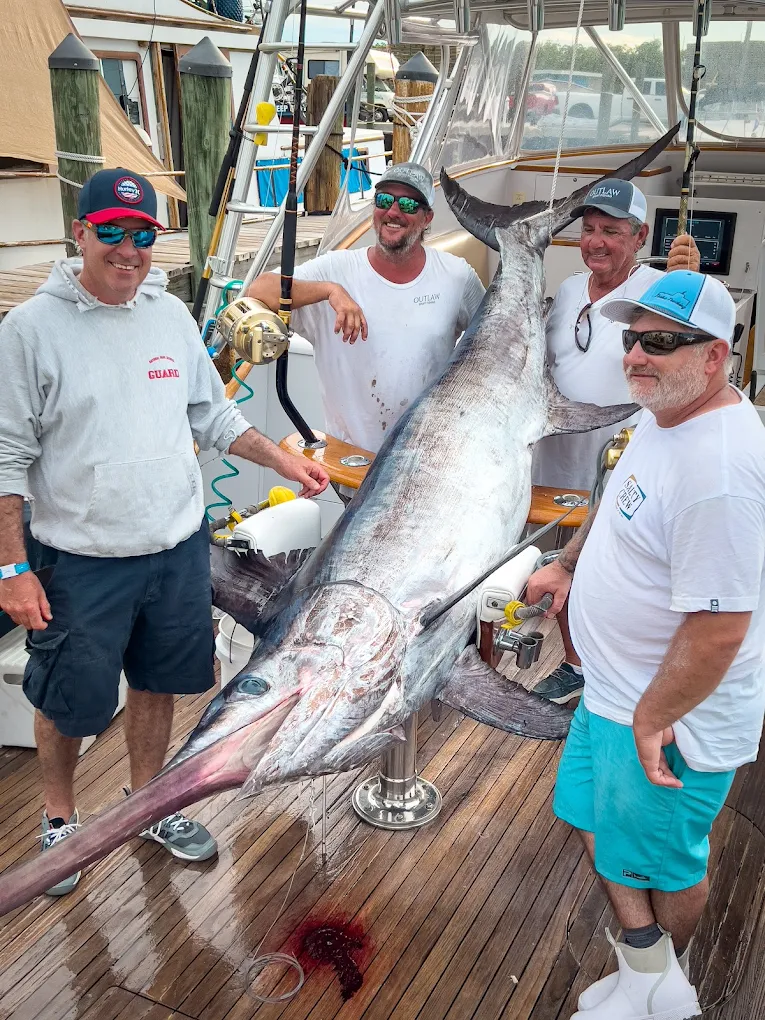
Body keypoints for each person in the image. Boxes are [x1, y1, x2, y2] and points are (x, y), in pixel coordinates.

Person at [0, 168, 329, 895]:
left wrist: (284, 460)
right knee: (67, 700)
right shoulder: (28, 330)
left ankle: (147, 803)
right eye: (111, 232)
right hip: (80, 559)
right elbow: (6, 458)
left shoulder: (170, 315)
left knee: (159, 683)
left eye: (142, 234)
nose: (128, 249)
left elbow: (213, 415)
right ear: (80, 233)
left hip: (176, 548)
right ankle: (58, 819)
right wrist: (12, 570)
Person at [525, 270, 765, 1020]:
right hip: (615, 692)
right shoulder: (664, 417)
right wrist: (568, 565)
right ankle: (646, 972)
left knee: (661, 865)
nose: (636, 355)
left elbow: (720, 626)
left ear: (715, 355)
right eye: (632, 338)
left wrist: (653, 715)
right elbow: (616, 499)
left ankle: (665, 985)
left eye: (660, 341)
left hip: (668, 718)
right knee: (592, 821)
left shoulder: (718, 471)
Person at [531, 179, 701, 705]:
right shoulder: (567, 290)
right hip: (553, 459)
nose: (596, 241)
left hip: (620, 462)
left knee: (609, 574)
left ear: (640, 236)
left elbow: (696, 348)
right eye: (589, 230)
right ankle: (576, 664)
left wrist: (692, 282)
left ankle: (611, 674)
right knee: (559, 564)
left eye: (611, 230)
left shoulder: (661, 289)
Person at [247, 162, 486, 459]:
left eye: (408, 204)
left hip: (427, 461)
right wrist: (331, 291)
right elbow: (259, 290)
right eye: (384, 200)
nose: (393, 212)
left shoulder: (457, 276)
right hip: (349, 463)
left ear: (427, 218)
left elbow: (492, 348)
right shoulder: (336, 268)